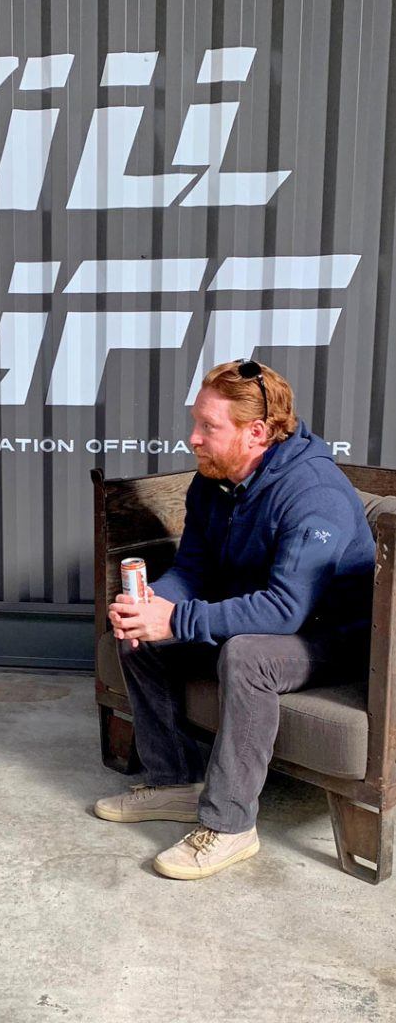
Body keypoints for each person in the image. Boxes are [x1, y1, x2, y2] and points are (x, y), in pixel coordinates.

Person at [94, 360, 375, 879]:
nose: (193, 438)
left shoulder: (314, 494)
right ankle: (176, 781)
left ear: (257, 432)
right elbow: (192, 570)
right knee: (140, 630)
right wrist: (152, 605)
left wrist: (177, 620)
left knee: (247, 655)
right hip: (261, 614)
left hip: (329, 636)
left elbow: (285, 609)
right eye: (196, 423)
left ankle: (230, 827)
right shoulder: (215, 481)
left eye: (208, 426)